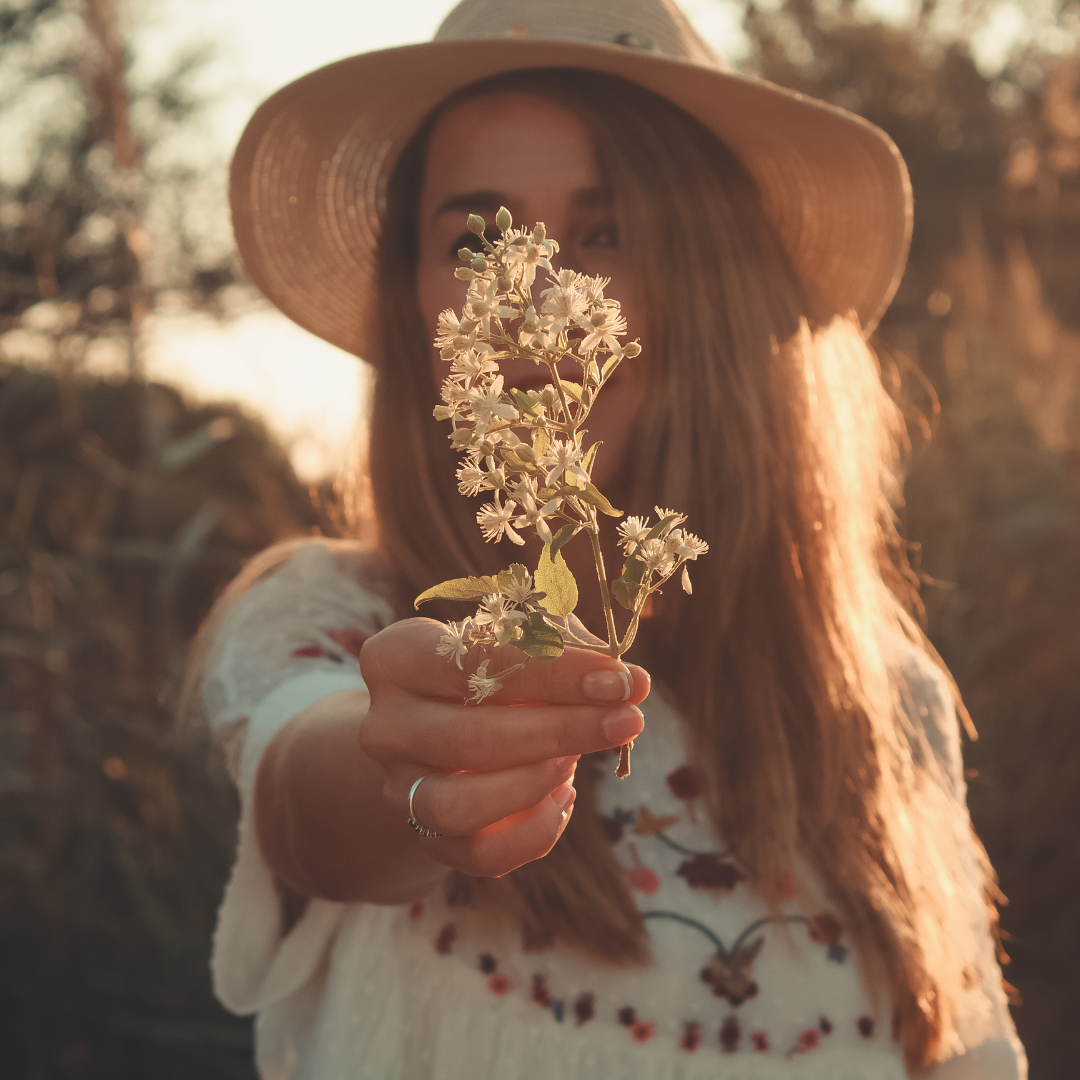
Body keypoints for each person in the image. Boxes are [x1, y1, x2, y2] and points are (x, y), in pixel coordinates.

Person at [185, 0, 1027, 1077]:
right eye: (476, 237)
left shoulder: (886, 698)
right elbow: (314, 805)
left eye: (610, 228)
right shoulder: (329, 622)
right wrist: (417, 777)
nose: (537, 295)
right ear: (415, 308)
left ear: (720, 285)